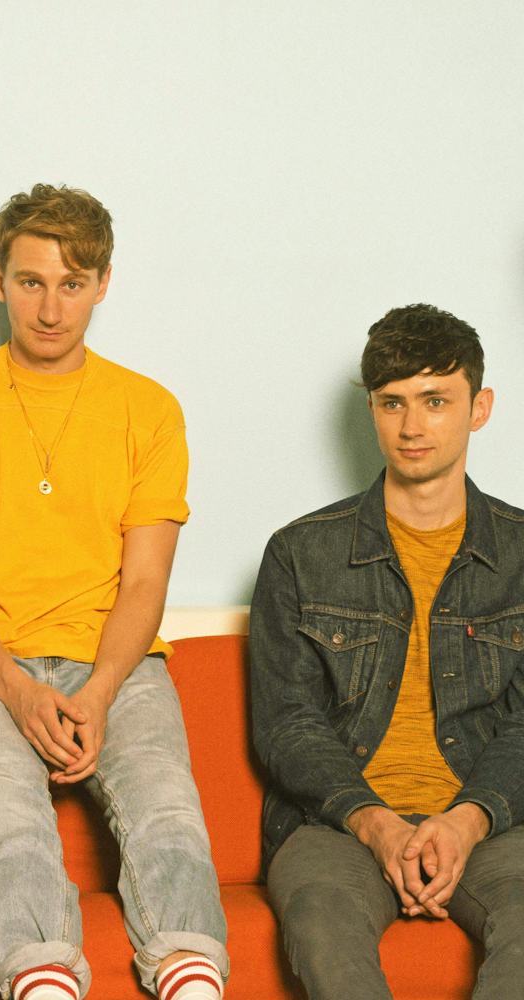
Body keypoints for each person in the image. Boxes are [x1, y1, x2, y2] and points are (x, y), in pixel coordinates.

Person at [0, 184, 228, 1000]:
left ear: (103, 284)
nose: (50, 307)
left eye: (72, 284)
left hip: (112, 656)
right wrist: (13, 686)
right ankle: (43, 978)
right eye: (32, 281)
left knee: (168, 810)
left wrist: (103, 690)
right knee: (9, 813)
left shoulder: (148, 410)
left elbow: (146, 580)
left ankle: (191, 974)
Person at [250, 303, 524, 998]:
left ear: (480, 407)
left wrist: (466, 822)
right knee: (323, 925)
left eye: (436, 401)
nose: (411, 426)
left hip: (488, 821)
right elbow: (287, 723)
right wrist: (375, 824)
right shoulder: (300, 553)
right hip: (338, 824)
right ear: (371, 408)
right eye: (392, 403)